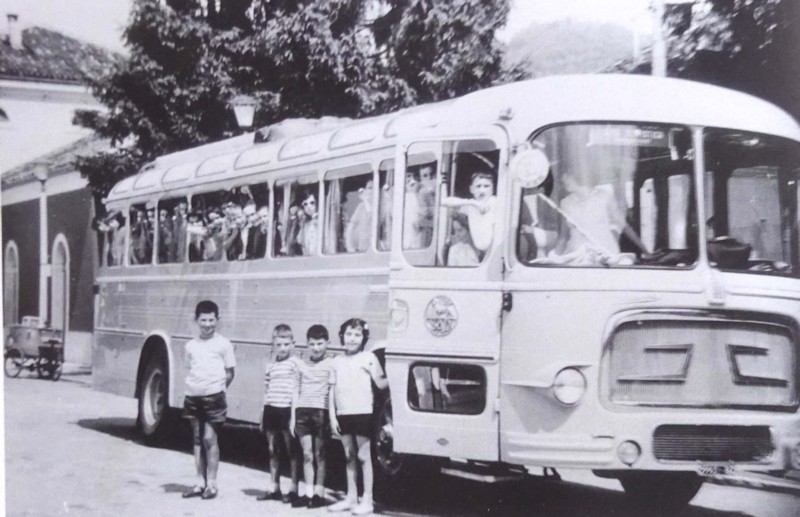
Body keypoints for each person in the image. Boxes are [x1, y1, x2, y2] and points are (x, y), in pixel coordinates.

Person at [328, 318, 388, 515]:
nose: (352, 339)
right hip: (343, 414)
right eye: (348, 334)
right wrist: (332, 416)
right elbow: (331, 391)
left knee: (363, 457)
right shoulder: (336, 361)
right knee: (348, 456)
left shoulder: (369, 358)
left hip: (363, 413)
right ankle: (351, 498)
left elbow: (381, 384)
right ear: (342, 336)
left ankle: (367, 500)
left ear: (364, 338)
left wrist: (398, 373)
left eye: (357, 335)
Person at [181, 300, 236, 500]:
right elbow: (191, 369)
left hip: (214, 397)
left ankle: (212, 484)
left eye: (211, 320)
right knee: (197, 439)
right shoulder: (190, 346)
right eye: (203, 320)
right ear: (197, 320)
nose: (207, 324)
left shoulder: (223, 344)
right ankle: (199, 483)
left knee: (209, 438)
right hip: (193, 396)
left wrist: (218, 389)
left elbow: (230, 372)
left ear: (217, 320)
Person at [289, 324, 334, 509]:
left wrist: (332, 416)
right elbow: (295, 391)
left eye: (320, 344)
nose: (316, 348)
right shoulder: (301, 364)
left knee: (320, 454)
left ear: (327, 343)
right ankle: (308, 493)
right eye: (312, 344)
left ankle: (319, 493)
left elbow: (333, 390)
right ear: (307, 344)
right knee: (307, 454)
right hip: (303, 412)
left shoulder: (332, 363)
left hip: (321, 412)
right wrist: (293, 417)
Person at [258, 324, 301, 504]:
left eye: (286, 344)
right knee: (272, 449)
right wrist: (262, 415)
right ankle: (274, 487)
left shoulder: (296, 364)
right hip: (271, 409)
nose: (282, 348)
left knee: (292, 450)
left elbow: (297, 390)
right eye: (278, 344)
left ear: (293, 344)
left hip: (287, 410)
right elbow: (267, 391)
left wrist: (294, 416)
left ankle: (293, 488)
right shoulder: (270, 365)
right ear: (273, 345)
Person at [441, 171, 497, 255]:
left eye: (486, 186)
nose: (482, 190)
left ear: (493, 189)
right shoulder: (471, 206)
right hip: (485, 253)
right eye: (478, 186)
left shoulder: (495, 202)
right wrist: (472, 203)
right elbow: (443, 201)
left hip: (497, 251)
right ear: (471, 189)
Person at [344, 181, 374, 253]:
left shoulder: (381, 206)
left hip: (375, 250)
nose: (372, 191)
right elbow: (350, 228)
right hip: (361, 250)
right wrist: (350, 247)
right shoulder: (361, 207)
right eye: (369, 188)